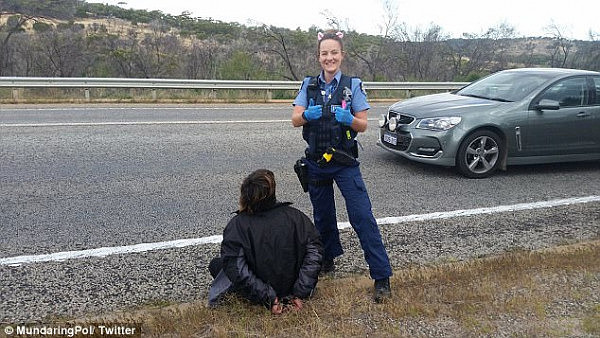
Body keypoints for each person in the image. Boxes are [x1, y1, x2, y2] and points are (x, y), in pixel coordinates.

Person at [291, 30, 392, 302]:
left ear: (342, 55)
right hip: (316, 161)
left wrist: (349, 119)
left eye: (334, 52)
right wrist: (306, 115)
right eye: (324, 53)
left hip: (344, 161)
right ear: (318, 57)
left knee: (362, 216)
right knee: (322, 216)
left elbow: (362, 124)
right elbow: (295, 119)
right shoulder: (308, 85)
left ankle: (381, 276)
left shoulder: (352, 85)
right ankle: (327, 260)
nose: (329, 57)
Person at [207, 169, 323, 314]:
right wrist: (300, 292)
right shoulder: (296, 217)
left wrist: (269, 298)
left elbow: (237, 268)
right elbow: (315, 253)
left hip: (262, 290)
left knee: (217, 265)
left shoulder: (237, 226)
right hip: (292, 285)